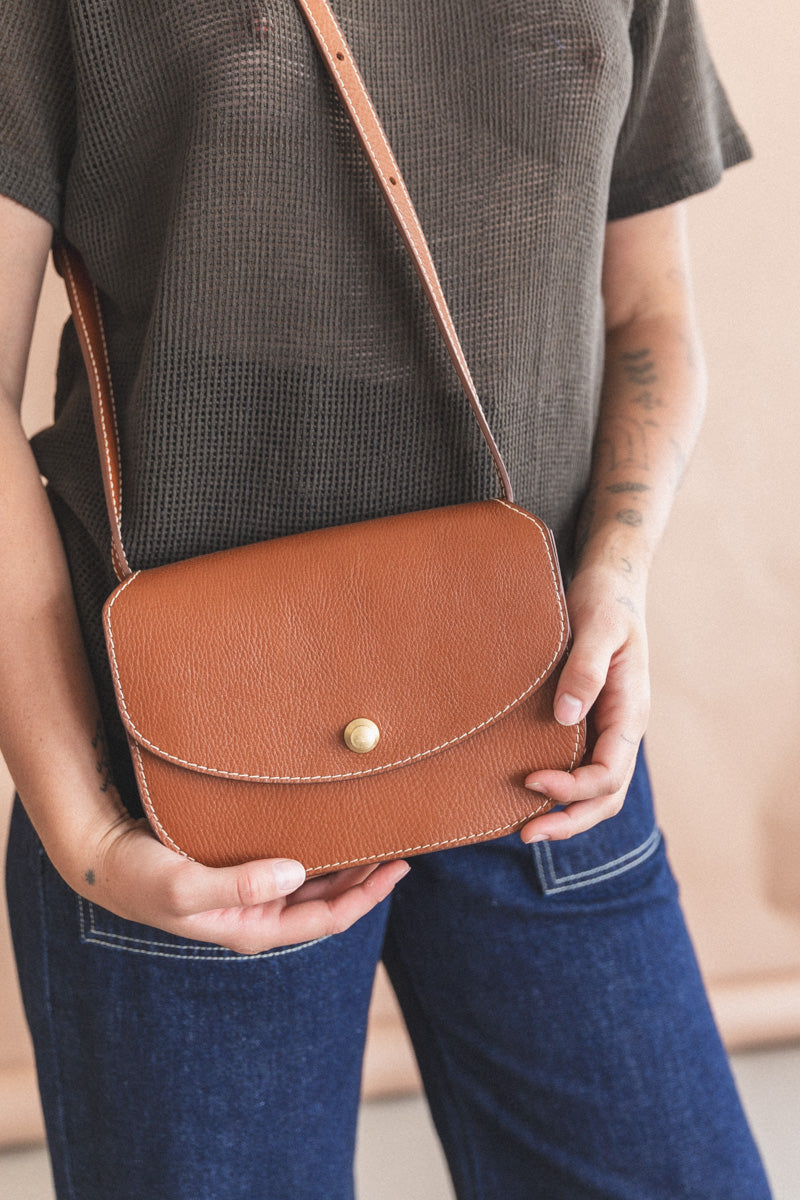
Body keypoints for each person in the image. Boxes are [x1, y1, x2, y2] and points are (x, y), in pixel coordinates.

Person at [0, 0, 773, 1196]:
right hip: (185, 779)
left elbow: (646, 318)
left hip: (540, 729)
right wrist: (91, 838)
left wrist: (615, 574)